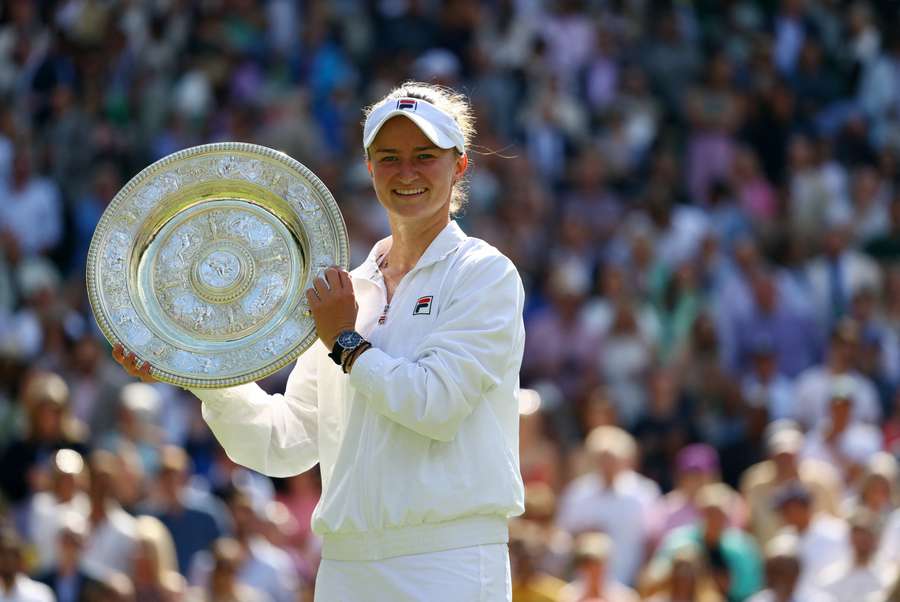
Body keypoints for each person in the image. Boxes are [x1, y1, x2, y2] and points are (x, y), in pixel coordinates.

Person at [115, 81, 527, 601]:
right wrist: (196, 368)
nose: (407, 173)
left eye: (425, 156)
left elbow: (435, 405)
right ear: (370, 167)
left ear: (459, 166)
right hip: (346, 569)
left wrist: (347, 343)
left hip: (450, 564)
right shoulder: (343, 291)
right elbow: (282, 443)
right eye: (389, 158)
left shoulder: (484, 275)